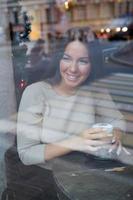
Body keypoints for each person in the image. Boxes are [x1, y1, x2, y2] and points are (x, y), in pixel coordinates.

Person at [17, 27, 126, 199]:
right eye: (67, 58)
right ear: (57, 59)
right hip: (48, 181)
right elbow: (26, 154)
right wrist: (77, 142)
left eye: (83, 61)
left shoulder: (94, 90)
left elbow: (117, 120)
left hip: (89, 174)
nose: (73, 69)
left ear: (93, 64)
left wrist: (115, 135)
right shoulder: (36, 92)